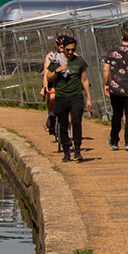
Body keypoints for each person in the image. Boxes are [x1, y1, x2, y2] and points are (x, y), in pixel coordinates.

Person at [44, 34, 92, 162]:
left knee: (76, 122)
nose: (70, 52)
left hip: (76, 96)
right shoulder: (56, 61)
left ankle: (77, 150)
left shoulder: (79, 61)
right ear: (63, 49)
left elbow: (84, 80)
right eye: (68, 50)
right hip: (62, 96)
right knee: (63, 124)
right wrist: (58, 70)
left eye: (73, 50)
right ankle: (66, 152)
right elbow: (48, 77)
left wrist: (89, 98)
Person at [101, 24, 128, 151]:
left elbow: (105, 69)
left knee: (117, 114)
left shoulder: (112, 52)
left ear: (121, 37)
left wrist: (106, 84)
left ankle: (114, 140)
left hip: (115, 88)